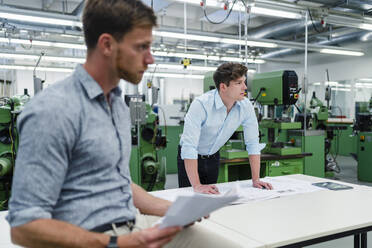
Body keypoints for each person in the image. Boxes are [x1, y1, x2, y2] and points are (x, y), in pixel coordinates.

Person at [6, 1, 243, 247]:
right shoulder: (53, 110)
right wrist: (116, 243)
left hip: (133, 224)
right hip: (91, 238)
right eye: (142, 47)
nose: (150, 59)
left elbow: (120, 182)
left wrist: (175, 210)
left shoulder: (117, 105)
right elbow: (24, 227)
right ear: (107, 45)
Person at [178, 62, 273, 194]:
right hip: (190, 159)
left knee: (211, 198)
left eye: (244, 82)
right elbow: (189, 147)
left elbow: (253, 143)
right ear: (223, 87)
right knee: (190, 198)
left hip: (213, 157)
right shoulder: (201, 105)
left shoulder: (245, 107)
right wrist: (197, 185)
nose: (245, 87)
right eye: (239, 83)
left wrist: (256, 180)